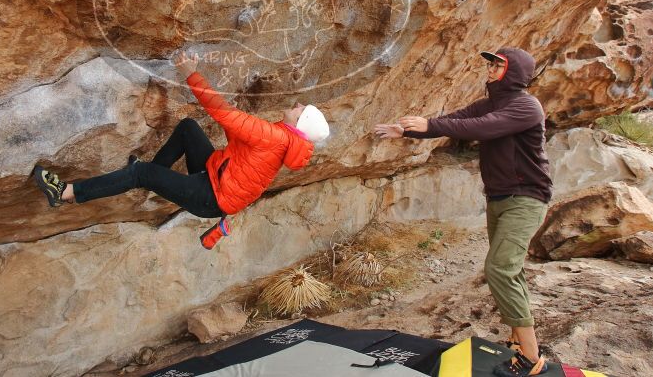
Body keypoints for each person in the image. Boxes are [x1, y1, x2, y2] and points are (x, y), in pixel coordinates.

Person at [374, 47, 552, 377]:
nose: (490, 68)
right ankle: (518, 339)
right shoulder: (490, 102)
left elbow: (481, 127)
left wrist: (428, 123)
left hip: (526, 198)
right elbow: (456, 120)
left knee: (500, 268)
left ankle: (531, 357)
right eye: (490, 63)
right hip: (499, 198)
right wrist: (409, 130)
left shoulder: (526, 105)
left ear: (513, 71)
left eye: (498, 64)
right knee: (510, 270)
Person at [33, 51, 330, 249]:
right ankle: (151, 177)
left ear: (300, 124)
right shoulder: (280, 138)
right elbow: (236, 132)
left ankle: (68, 193)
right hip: (214, 176)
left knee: (140, 172)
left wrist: (192, 74)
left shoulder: (275, 138)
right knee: (188, 128)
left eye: (303, 110)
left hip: (209, 197)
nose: (298, 104)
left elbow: (223, 114)